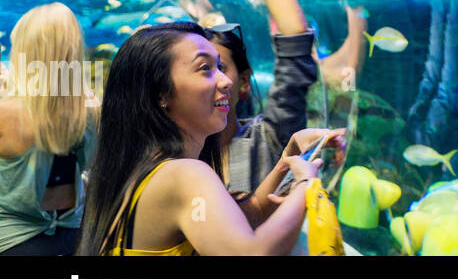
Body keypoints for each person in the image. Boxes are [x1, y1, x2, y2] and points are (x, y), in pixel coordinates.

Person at [77, 22, 327, 255]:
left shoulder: (148, 166)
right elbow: (253, 252)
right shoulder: (184, 174)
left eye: (220, 66)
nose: (226, 80)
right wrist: (306, 184)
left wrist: (288, 161)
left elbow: (250, 214)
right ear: (160, 93)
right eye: (205, 68)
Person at [206, 0, 322, 198]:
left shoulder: (266, 139)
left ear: (244, 83)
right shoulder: (167, 156)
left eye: (220, 67)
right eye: (200, 69)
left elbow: (296, 50)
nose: (214, 81)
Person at [0, 3, 98, 255]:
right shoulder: (88, 112)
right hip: (73, 237)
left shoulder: (5, 110)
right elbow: (94, 169)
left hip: (13, 239)